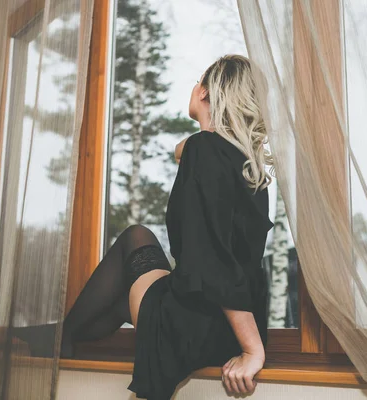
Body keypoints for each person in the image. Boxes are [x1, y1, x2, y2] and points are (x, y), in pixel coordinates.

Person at [14, 54, 275, 399]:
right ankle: (65, 336)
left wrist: (253, 351)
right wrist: (187, 147)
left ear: (205, 93)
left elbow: (214, 259)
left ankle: (62, 337)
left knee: (136, 237)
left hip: (199, 324)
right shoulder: (247, 168)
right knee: (122, 300)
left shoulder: (205, 151)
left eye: (198, 80)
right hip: (229, 325)